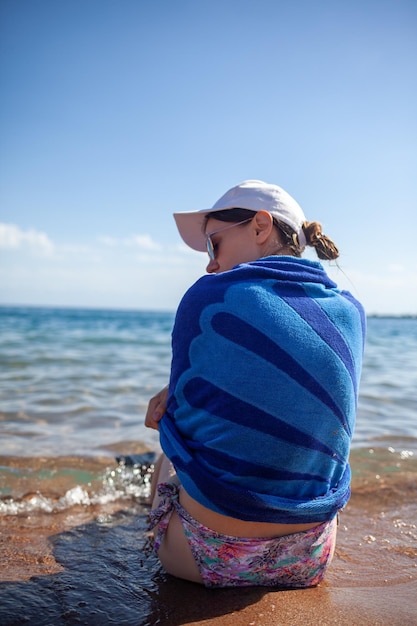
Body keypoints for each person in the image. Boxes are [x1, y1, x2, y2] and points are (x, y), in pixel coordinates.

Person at [145, 179, 366, 588]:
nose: (210, 264)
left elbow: (182, 426)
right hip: (311, 558)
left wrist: (168, 402)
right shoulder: (351, 311)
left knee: (166, 453)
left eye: (214, 244)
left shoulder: (209, 295)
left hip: (203, 557)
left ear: (260, 226)